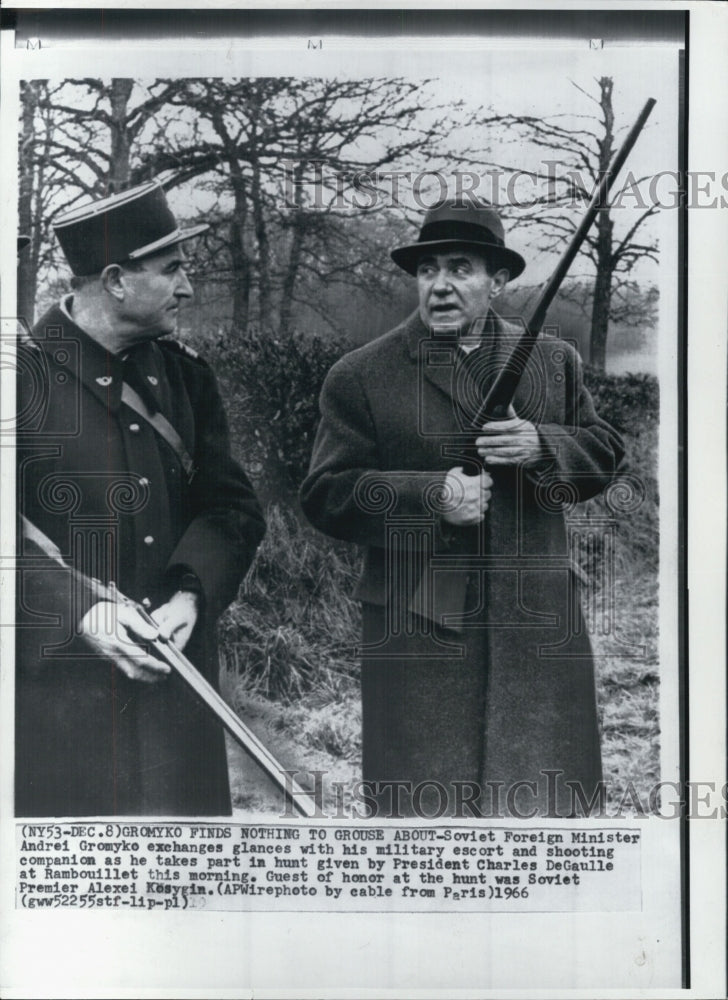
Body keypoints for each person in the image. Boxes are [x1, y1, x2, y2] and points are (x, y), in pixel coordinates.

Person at [300, 200, 624, 818]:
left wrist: (543, 445)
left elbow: (605, 450)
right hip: (421, 637)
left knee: (543, 830)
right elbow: (326, 492)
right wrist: (433, 496)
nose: (441, 286)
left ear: (498, 281)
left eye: (461, 268)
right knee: (425, 832)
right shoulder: (362, 375)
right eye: (428, 270)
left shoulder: (552, 360)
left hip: (535, 632)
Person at [15, 180, 266, 817]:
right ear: (117, 280)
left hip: (178, 701)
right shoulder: (18, 379)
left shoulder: (185, 376)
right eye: (173, 269)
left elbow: (230, 508)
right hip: (64, 708)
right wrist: (76, 610)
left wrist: (192, 592)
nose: (188, 288)